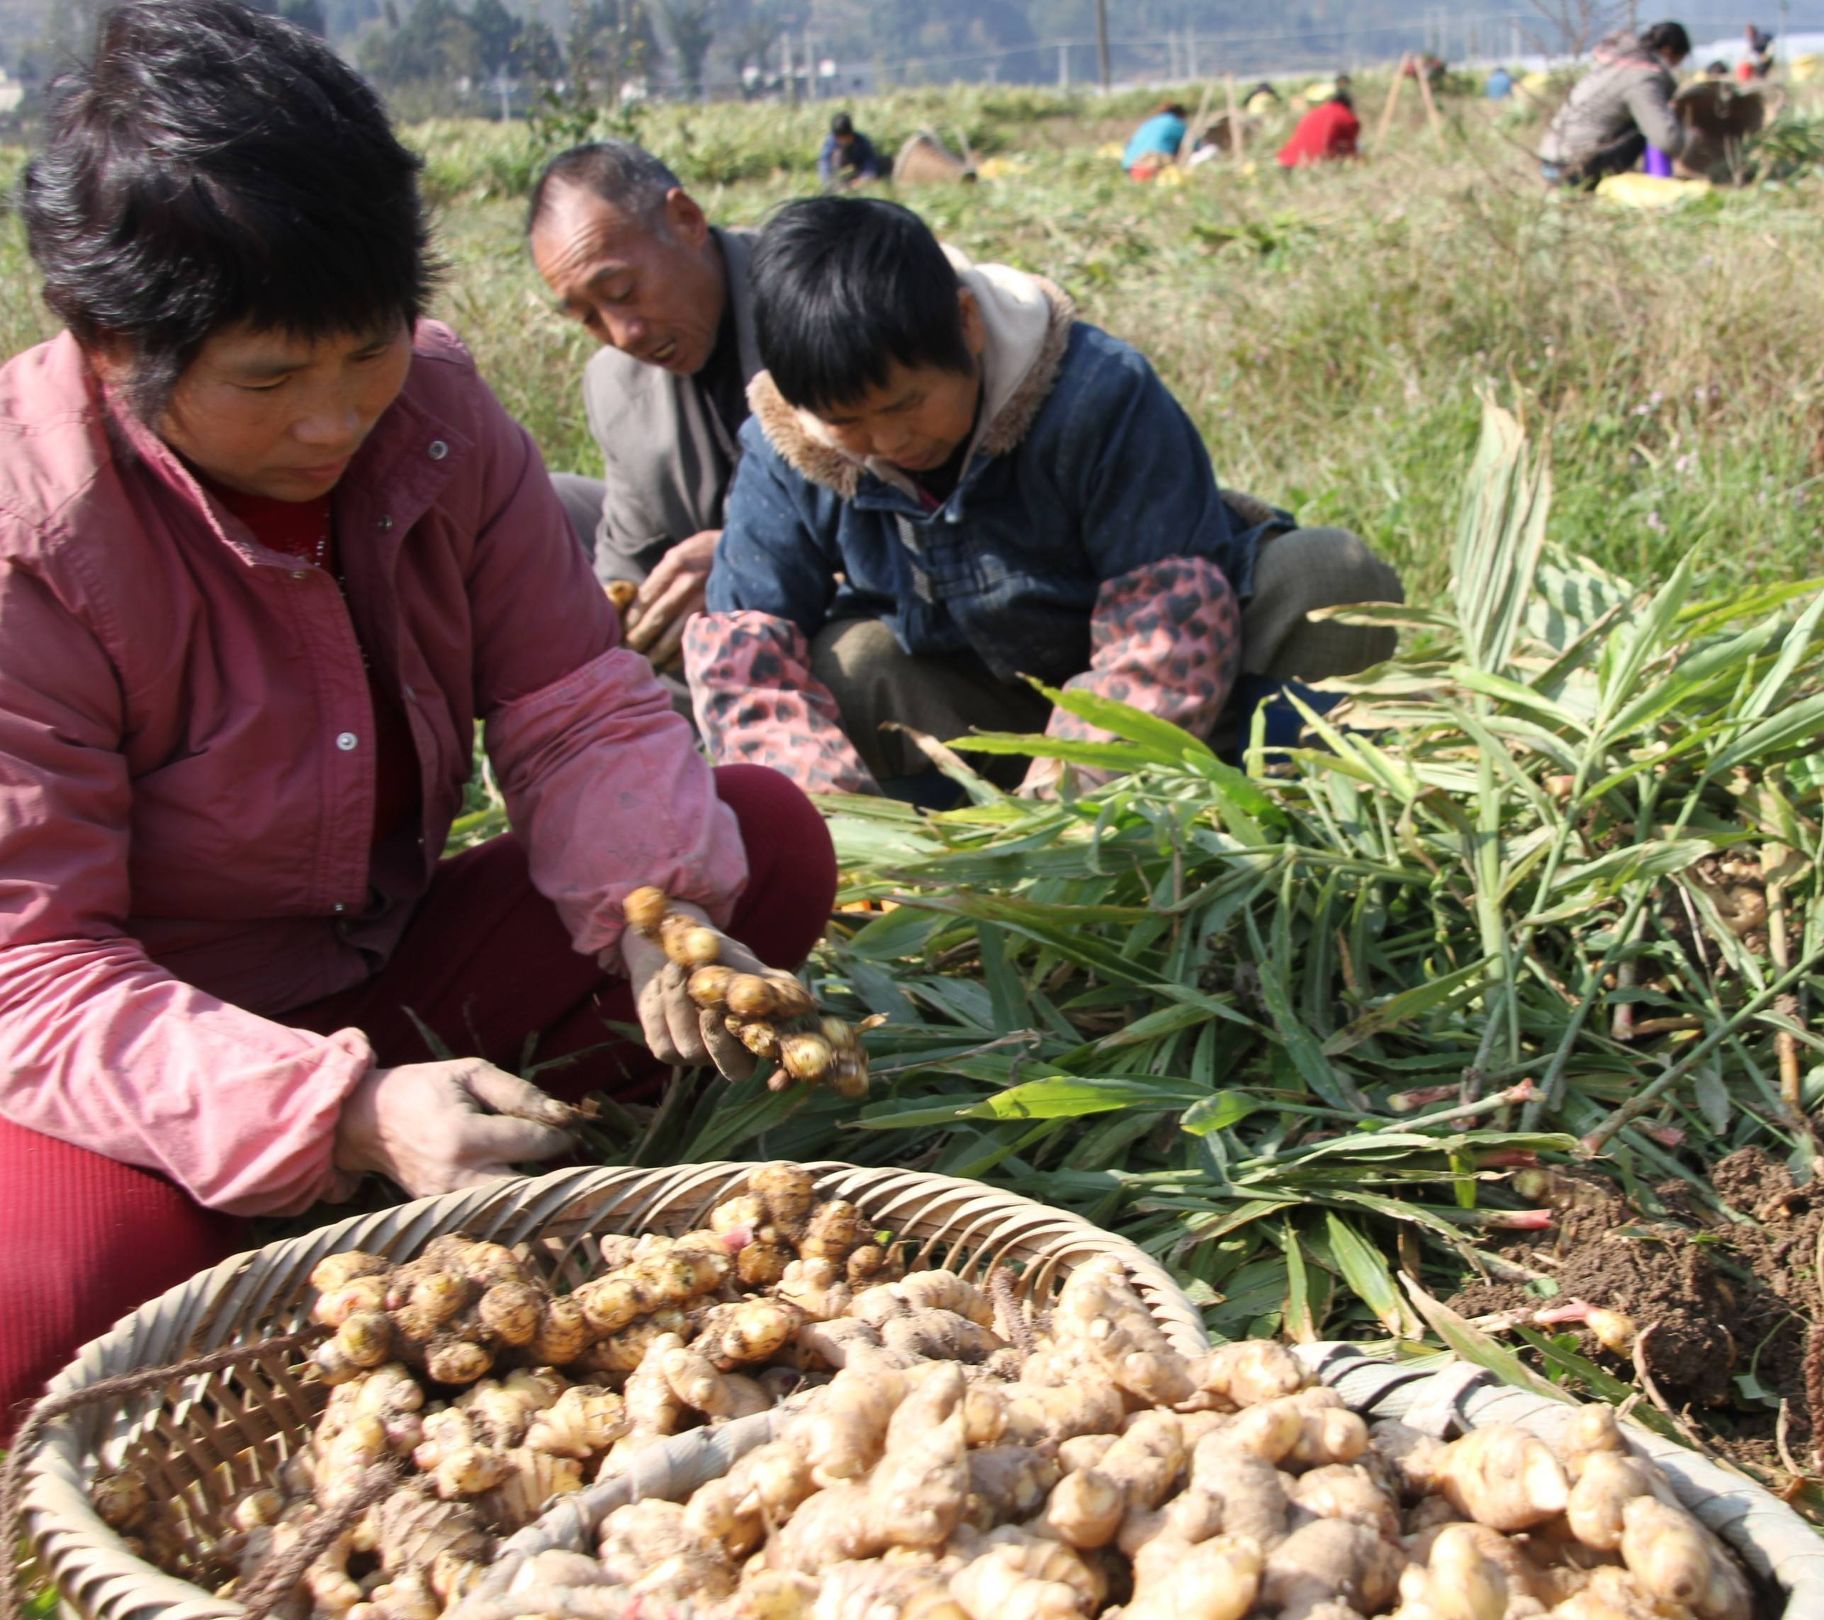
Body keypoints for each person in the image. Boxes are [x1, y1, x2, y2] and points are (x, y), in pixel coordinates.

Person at [0, 0, 838, 1429]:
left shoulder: (439, 421)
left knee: (759, 845)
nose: (334, 421)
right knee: (65, 1297)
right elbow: (37, 975)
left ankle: (397, 1167)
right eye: (269, 381)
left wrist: (651, 913)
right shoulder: (35, 538)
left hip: (380, 967)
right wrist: (343, 1112)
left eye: (365, 352)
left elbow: (573, 705)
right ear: (106, 342)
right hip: (145, 1026)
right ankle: (311, 1183)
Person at [682, 197, 1404, 804]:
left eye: (907, 404)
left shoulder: (1096, 394)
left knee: (1326, 575)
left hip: (1179, 685)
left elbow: (1166, 634)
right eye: (847, 422)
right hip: (984, 701)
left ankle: (1260, 792)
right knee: (849, 659)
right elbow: (743, 660)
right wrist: (833, 826)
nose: (886, 441)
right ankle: (937, 846)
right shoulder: (791, 446)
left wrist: (1056, 811)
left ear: (965, 324)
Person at [530, 143, 760, 683]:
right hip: (718, 628)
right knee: (548, 505)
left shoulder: (818, 299)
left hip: (849, 592)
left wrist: (747, 560)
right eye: (588, 317)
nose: (623, 334)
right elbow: (630, 551)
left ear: (687, 220)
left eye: (623, 291)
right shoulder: (613, 382)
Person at [1538, 23, 1691, 188]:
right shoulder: (1642, 78)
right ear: (1668, 51)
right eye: (1678, 61)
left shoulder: (1613, 64)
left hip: (1550, 161)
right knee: (1652, 123)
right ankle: (1657, 178)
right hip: (1575, 168)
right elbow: (1666, 140)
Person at [1277, 87, 1362, 168]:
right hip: (1313, 165)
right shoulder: (1347, 117)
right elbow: (1351, 151)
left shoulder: (1313, 113)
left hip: (1286, 162)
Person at [819, 112, 892, 190]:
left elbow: (870, 159)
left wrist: (865, 177)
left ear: (851, 133)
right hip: (841, 173)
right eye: (840, 138)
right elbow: (825, 163)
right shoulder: (830, 143)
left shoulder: (862, 140)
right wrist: (831, 183)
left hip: (859, 171)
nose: (844, 141)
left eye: (846, 137)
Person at [1122, 102, 1189, 180]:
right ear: (1180, 115)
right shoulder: (1176, 123)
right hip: (1148, 165)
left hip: (1128, 165)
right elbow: (1194, 144)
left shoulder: (1149, 122)